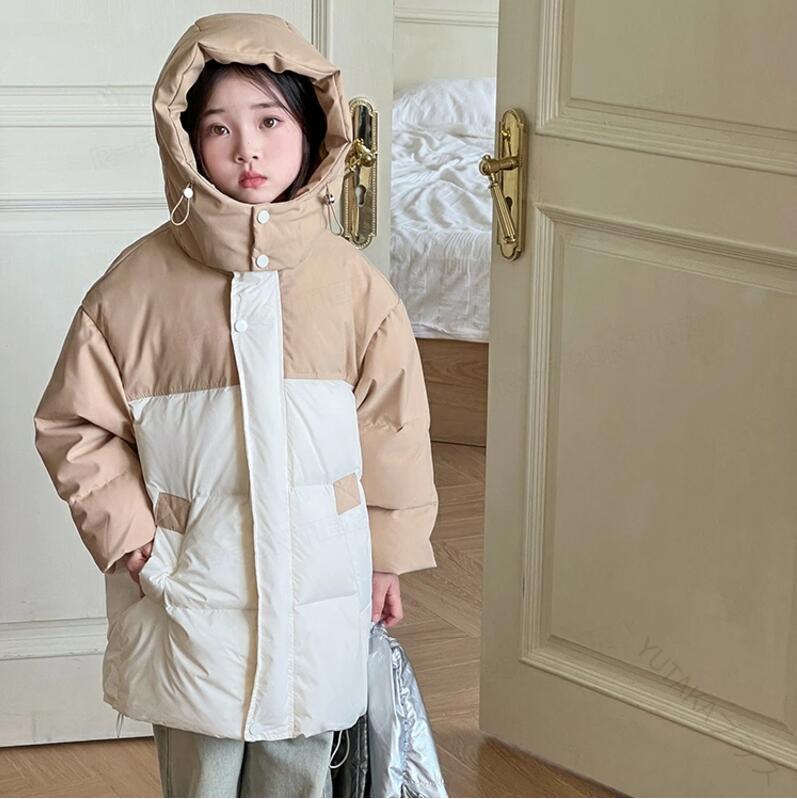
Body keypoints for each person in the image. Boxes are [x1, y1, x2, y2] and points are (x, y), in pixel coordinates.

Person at [32, 12, 439, 799]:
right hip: (190, 583)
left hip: (320, 583)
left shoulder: (353, 288)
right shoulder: (135, 288)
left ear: (313, 130)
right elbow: (74, 423)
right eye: (218, 127)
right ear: (185, 142)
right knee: (203, 768)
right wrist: (131, 536)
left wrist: (387, 552)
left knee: (301, 760)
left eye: (269, 121)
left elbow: (392, 429)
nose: (247, 148)